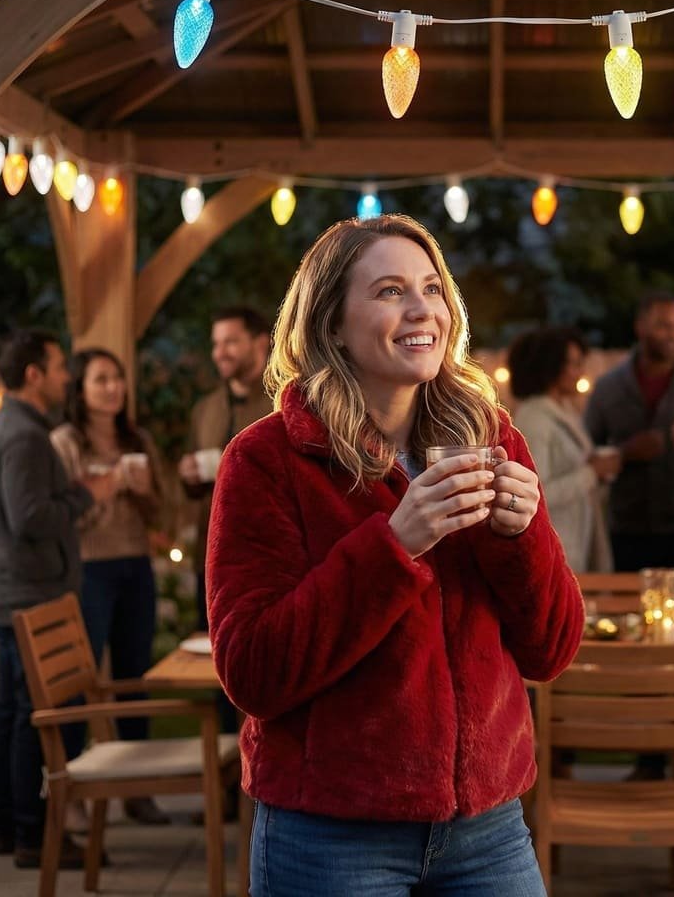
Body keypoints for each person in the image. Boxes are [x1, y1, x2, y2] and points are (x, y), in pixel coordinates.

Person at [207, 214, 584, 896]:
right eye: (389, 291)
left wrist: (520, 539)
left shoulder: (492, 440)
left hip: (487, 828)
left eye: (432, 288)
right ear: (330, 324)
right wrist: (395, 545)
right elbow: (252, 671)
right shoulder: (266, 461)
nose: (421, 310)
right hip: (330, 832)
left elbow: (551, 650)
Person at [0, 329, 117, 868]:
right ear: (34, 375)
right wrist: (87, 494)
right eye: (61, 368)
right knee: (37, 716)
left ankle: (8, 831)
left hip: (12, 592)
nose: (67, 377)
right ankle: (35, 838)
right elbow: (30, 517)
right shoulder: (24, 437)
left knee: (13, 711)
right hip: (30, 596)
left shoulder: (5, 428)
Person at [50, 348, 169, 826]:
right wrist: (104, 490)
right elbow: (63, 518)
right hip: (89, 569)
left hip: (135, 566)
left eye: (117, 378)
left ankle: (137, 791)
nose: (113, 387)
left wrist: (141, 492)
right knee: (79, 682)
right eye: (101, 380)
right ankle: (72, 790)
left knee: (134, 677)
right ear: (79, 389)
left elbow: (162, 511)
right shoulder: (65, 443)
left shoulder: (135, 438)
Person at [584, 290, 674, 576]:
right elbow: (586, 455)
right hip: (627, 531)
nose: (673, 335)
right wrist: (626, 453)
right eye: (664, 325)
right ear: (641, 327)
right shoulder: (609, 387)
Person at [178, 306, 272, 631]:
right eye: (216, 344)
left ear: (260, 343)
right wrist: (188, 475)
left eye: (230, 342)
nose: (220, 353)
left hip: (267, 557)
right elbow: (192, 488)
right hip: (212, 557)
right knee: (213, 658)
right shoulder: (205, 409)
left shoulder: (283, 403)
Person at [507, 327, 614, 573]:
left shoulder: (564, 411)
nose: (580, 372)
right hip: (554, 549)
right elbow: (535, 494)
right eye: (574, 364)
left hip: (576, 544)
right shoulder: (535, 419)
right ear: (551, 367)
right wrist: (591, 473)